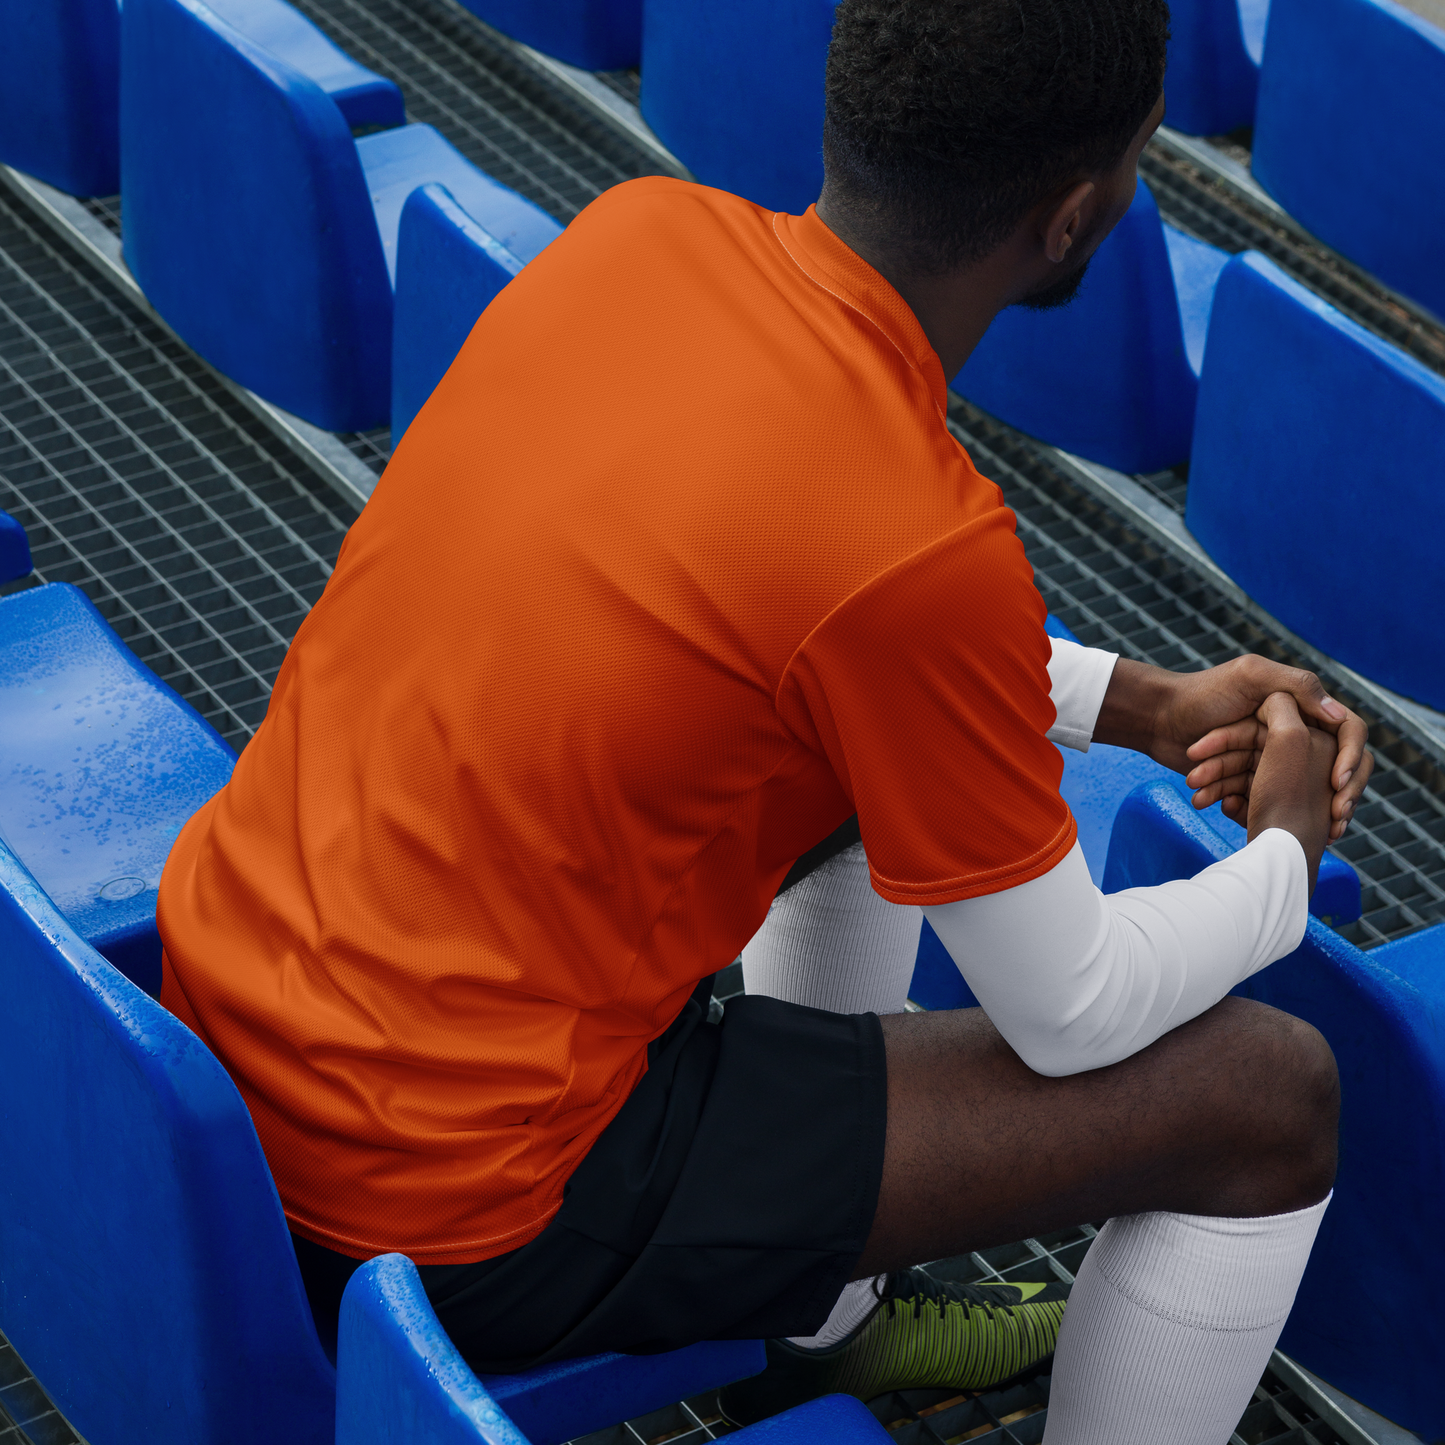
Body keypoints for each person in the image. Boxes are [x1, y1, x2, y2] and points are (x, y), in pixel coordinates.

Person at [156, 1, 1374, 1440]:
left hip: (232, 1055)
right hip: (458, 1204)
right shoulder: (917, 539)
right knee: (1266, 1098)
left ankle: (827, 1335)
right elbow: (1073, 1010)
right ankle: (822, 1321)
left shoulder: (637, 237)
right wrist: (1283, 866)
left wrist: (1140, 704)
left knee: (852, 776)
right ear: (1074, 219)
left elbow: (808, 632)